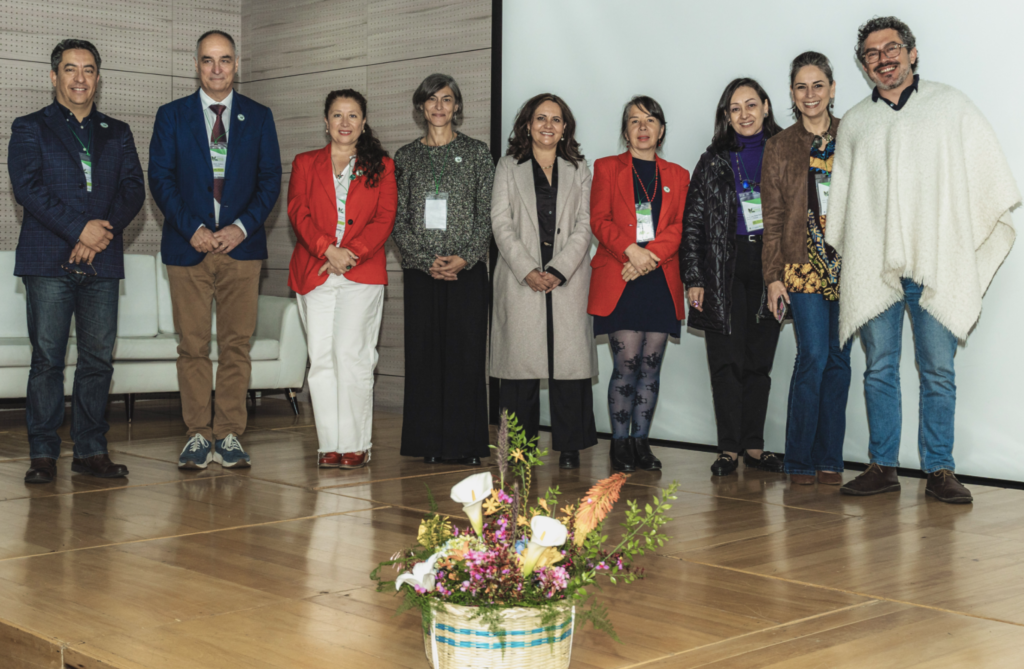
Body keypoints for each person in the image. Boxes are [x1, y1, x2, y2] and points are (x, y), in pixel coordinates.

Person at [826, 17, 1019, 504]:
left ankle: (940, 469)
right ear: (863, 64)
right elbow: (849, 207)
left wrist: (956, 235)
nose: (883, 58)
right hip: (877, 267)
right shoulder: (855, 123)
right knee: (879, 369)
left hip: (936, 261)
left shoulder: (950, 107)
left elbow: (987, 175)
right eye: (871, 53)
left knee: (938, 370)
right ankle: (882, 465)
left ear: (912, 53)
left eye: (892, 48)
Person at [9, 39, 145, 484]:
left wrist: (98, 232)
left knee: (97, 360)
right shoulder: (29, 127)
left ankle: (90, 450)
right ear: (54, 77)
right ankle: (43, 454)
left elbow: (133, 191)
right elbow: (28, 189)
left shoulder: (118, 131)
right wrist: (78, 229)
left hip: (101, 260)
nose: (80, 78)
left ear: (98, 77)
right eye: (70, 69)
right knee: (47, 359)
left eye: (88, 70)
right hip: (48, 259)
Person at [149, 30, 282, 470]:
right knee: (191, 347)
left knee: (235, 346)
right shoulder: (171, 116)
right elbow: (161, 180)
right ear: (196, 64)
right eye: (208, 60)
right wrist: (195, 229)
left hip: (241, 250)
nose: (217, 69)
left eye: (225, 60)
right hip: (189, 247)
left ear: (237, 64)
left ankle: (227, 435)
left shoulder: (259, 117)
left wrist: (242, 228)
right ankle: (196, 436)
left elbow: (269, 182)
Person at [681, 79, 785, 477]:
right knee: (726, 362)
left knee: (759, 361)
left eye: (751, 105)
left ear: (766, 107)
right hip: (722, 269)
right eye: (735, 108)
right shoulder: (713, 160)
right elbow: (693, 223)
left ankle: (754, 446)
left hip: (771, 267)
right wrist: (694, 276)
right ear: (727, 115)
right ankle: (728, 449)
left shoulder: (784, 151)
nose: (744, 114)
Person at [287, 90, 396, 469]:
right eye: (337, 115)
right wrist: (326, 250)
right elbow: (298, 212)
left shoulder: (382, 165)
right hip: (314, 271)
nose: (345, 123)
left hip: (361, 273)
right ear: (326, 121)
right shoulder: (304, 163)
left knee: (353, 357)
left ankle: (355, 443)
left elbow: (385, 219)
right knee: (321, 360)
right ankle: (328, 444)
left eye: (353, 116)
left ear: (364, 122)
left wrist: (350, 255)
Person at [491, 93, 598, 470]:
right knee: (520, 369)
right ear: (527, 124)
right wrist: (527, 269)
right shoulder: (508, 166)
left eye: (556, 119)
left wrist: (558, 269)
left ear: (565, 127)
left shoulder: (580, 168)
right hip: (521, 277)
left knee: (568, 365)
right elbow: (500, 223)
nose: (548, 126)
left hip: (566, 279)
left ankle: (570, 446)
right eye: (541, 118)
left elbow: (586, 224)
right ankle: (518, 449)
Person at [391, 73, 494, 465]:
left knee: (466, 356)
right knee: (424, 356)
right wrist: (424, 260)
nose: (439, 107)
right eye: (431, 100)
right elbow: (397, 219)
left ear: (457, 107)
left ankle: (466, 445)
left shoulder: (478, 153)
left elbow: (486, 216)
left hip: (467, 273)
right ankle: (428, 444)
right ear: (421, 106)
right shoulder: (406, 157)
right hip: (421, 273)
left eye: (447, 99)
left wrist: (464, 257)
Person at [762, 53, 851, 486]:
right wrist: (773, 276)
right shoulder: (779, 146)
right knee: (813, 355)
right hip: (801, 266)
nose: (810, 94)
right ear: (792, 95)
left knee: (839, 360)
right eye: (801, 87)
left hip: (850, 263)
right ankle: (798, 459)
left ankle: (829, 457)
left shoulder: (854, 133)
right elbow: (773, 216)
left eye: (818, 85)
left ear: (832, 89)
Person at [589, 96, 689, 473]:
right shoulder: (606, 167)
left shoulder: (679, 175)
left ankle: (641, 442)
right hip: (620, 275)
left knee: (651, 367)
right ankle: (618, 444)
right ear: (625, 130)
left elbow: (679, 227)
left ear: (661, 130)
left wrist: (648, 258)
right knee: (626, 365)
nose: (643, 127)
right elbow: (599, 220)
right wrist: (632, 252)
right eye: (634, 121)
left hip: (659, 279)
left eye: (650, 120)